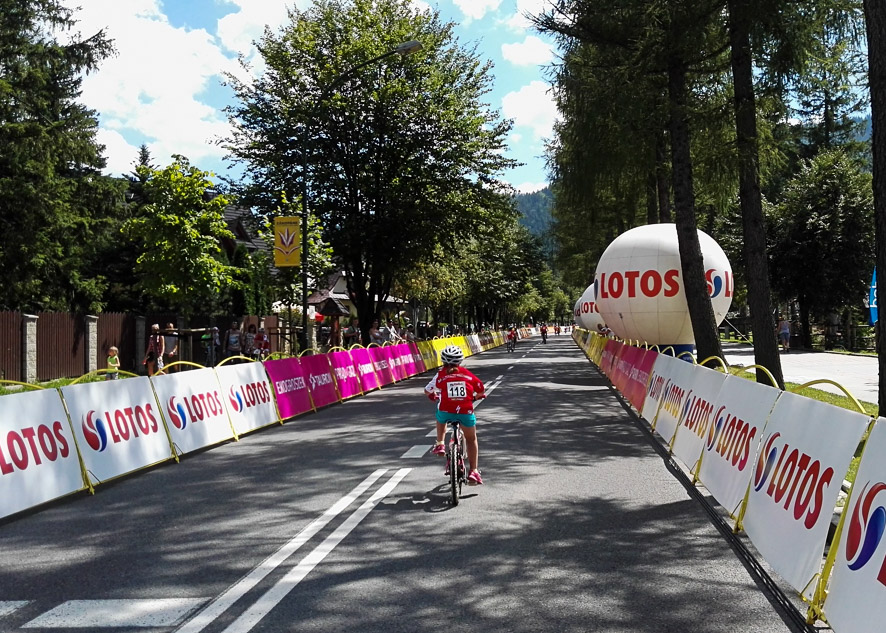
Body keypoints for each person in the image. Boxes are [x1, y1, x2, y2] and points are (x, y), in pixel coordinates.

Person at [423, 344, 486, 486]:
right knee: (471, 439)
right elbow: (481, 389)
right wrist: (475, 398)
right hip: (465, 412)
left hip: (446, 411)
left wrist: (433, 395)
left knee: (440, 415)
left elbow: (428, 390)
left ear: (443, 361)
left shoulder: (440, 375)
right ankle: (474, 471)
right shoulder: (467, 374)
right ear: (460, 361)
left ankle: (440, 443)